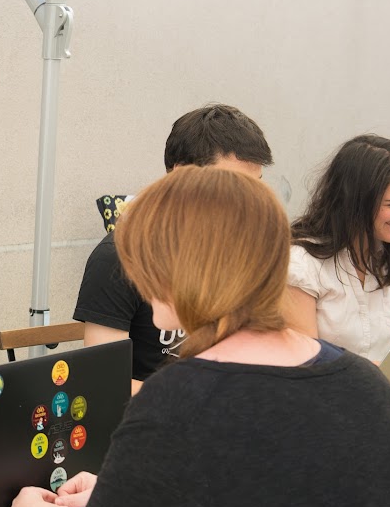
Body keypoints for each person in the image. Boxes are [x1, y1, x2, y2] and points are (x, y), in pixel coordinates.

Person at [9, 166, 390, 507]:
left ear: (174, 270)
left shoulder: (181, 400)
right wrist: (125, 497)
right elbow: (265, 502)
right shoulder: (363, 382)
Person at [73, 103, 273, 392]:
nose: (247, 202)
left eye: (255, 187)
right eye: (232, 185)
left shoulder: (241, 249)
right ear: (181, 176)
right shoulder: (119, 257)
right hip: (154, 411)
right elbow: (103, 382)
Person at [287, 133, 390, 363]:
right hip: (331, 387)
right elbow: (307, 363)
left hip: (386, 385)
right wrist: (378, 372)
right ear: (354, 203)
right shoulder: (301, 264)